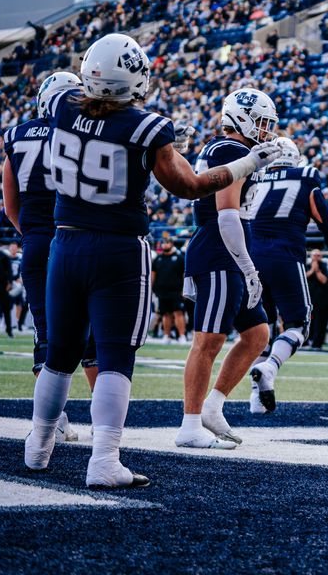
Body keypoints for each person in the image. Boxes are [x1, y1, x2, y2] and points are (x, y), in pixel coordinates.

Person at [24, 34, 280, 488]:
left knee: (60, 356)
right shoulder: (147, 128)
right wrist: (247, 164)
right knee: (116, 356)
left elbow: (92, 118)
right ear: (136, 81)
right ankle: (103, 460)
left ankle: (38, 446)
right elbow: (190, 186)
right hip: (118, 249)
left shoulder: (61, 104)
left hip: (64, 245)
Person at [177, 88, 283, 449]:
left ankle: (213, 405)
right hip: (221, 251)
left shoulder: (232, 150)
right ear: (244, 118)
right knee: (208, 340)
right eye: (263, 123)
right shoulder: (231, 150)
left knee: (257, 335)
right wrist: (248, 267)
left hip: (229, 251)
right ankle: (190, 424)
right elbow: (226, 215)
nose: (267, 131)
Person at [3, 71, 90, 440]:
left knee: (45, 334)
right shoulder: (80, 132)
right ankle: (106, 427)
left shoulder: (17, 135)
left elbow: (11, 206)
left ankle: (51, 421)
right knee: (93, 338)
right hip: (77, 240)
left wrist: (34, 236)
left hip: (38, 242)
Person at [246, 136, 328, 414]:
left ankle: (256, 399)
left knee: (263, 326)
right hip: (284, 256)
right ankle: (270, 367)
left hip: (251, 259)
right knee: (298, 324)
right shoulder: (306, 178)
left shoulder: (255, 178)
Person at [151, 236, 186, 343]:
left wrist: (184, 290)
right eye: (163, 243)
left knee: (178, 313)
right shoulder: (158, 259)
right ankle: (166, 336)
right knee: (165, 314)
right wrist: (151, 288)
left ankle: (181, 336)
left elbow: (184, 275)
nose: (165, 245)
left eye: (167, 243)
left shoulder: (179, 258)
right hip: (162, 292)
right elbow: (153, 275)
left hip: (176, 291)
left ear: (171, 244)